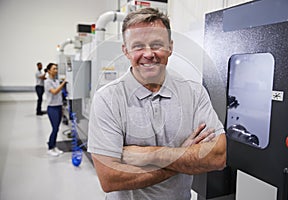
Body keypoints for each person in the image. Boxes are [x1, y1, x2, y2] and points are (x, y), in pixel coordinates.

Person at [88, 7, 226, 200]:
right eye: (138, 46)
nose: (148, 54)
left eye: (156, 44)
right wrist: (183, 157)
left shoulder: (194, 92)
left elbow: (218, 156)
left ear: (170, 47)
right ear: (125, 51)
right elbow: (110, 179)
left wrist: (151, 155)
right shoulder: (108, 99)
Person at [44, 63, 67, 157]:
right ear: (49, 70)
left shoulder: (56, 81)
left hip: (58, 106)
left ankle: (54, 146)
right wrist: (64, 83)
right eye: (54, 69)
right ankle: (50, 148)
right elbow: (54, 92)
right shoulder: (47, 82)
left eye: (56, 68)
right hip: (52, 108)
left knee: (57, 128)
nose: (56, 70)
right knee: (54, 128)